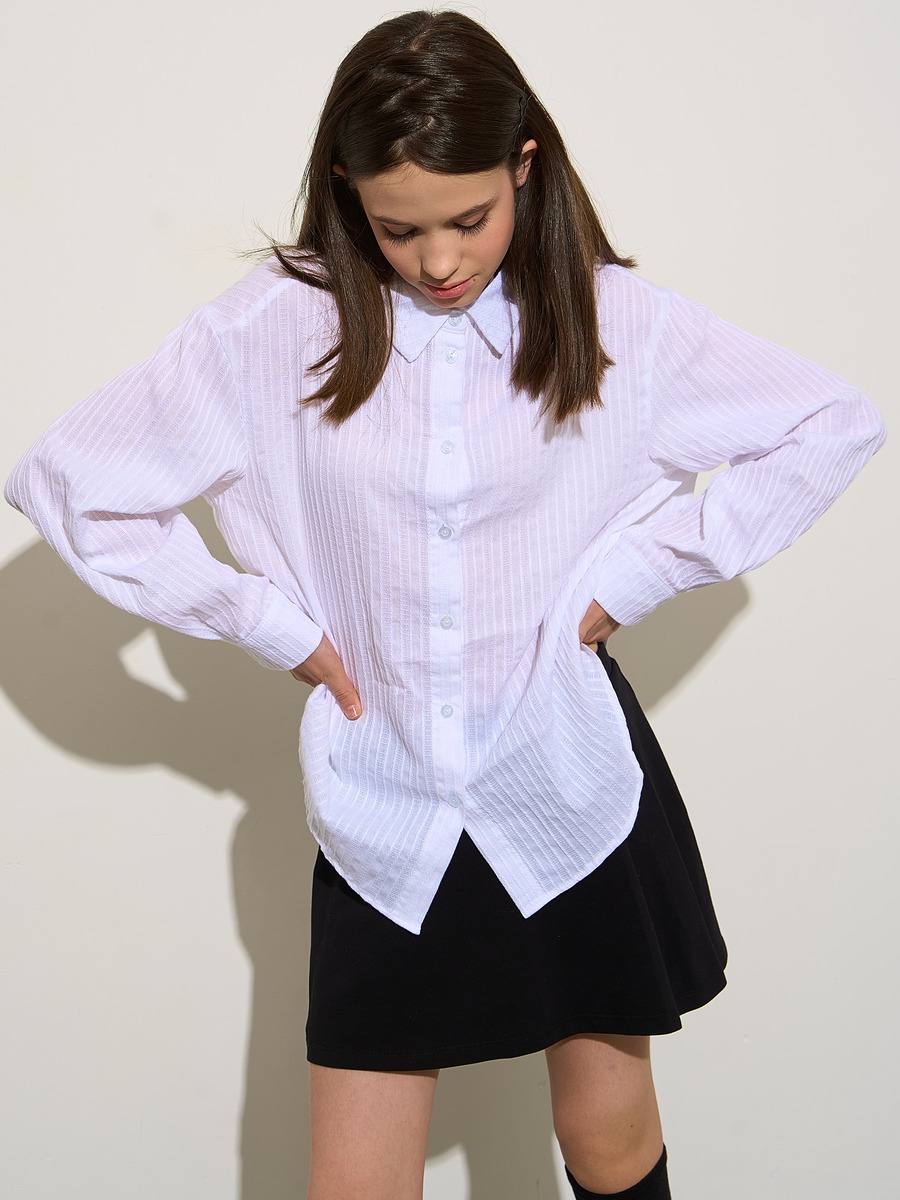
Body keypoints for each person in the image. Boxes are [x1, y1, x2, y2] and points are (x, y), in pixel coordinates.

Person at [4, 10, 885, 1199]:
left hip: (566, 774)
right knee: (358, 1179)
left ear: (525, 165)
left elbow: (831, 423)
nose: (437, 261)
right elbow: (71, 482)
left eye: (468, 219)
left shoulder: (616, 323)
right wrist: (268, 624)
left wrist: (634, 578)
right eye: (398, 228)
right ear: (345, 188)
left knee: (608, 1138)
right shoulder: (270, 332)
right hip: (388, 799)